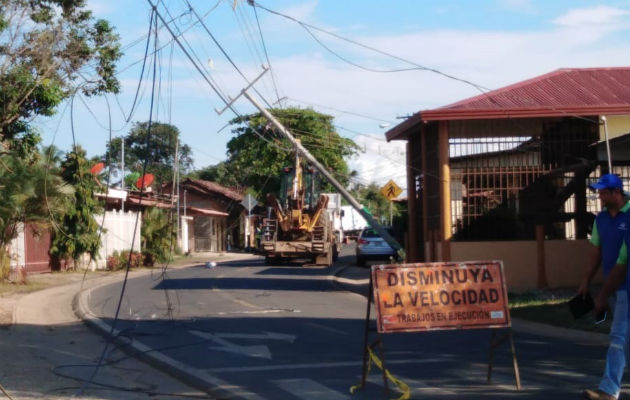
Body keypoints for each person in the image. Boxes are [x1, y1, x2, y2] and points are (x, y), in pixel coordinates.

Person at [580, 174, 630, 400]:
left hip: (623, 286)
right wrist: (586, 282)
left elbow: (622, 263)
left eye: (603, 192)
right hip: (618, 287)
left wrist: (602, 295)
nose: (599, 196)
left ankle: (609, 390)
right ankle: (610, 389)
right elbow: (595, 253)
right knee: (619, 338)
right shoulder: (600, 219)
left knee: (618, 336)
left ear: (616, 192)